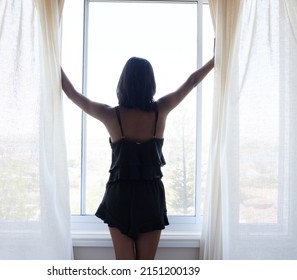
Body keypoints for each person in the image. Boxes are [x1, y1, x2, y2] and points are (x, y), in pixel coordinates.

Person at [61, 55, 214, 260]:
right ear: (150, 83)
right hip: (150, 198)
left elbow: (72, 94)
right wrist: (214, 59)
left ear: (123, 83)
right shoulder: (161, 110)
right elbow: (192, 81)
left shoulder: (110, 115)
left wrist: (53, 58)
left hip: (119, 196)